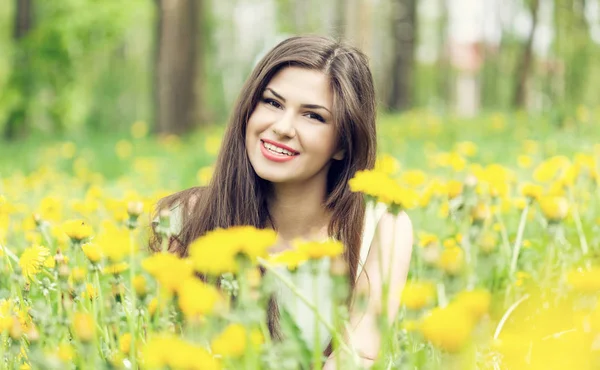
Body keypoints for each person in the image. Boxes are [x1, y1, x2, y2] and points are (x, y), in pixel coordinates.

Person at [150, 35, 413, 368]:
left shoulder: (383, 226)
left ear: (343, 144)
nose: (282, 127)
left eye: (313, 116)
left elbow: (357, 357)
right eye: (272, 103)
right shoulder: (185, 218)